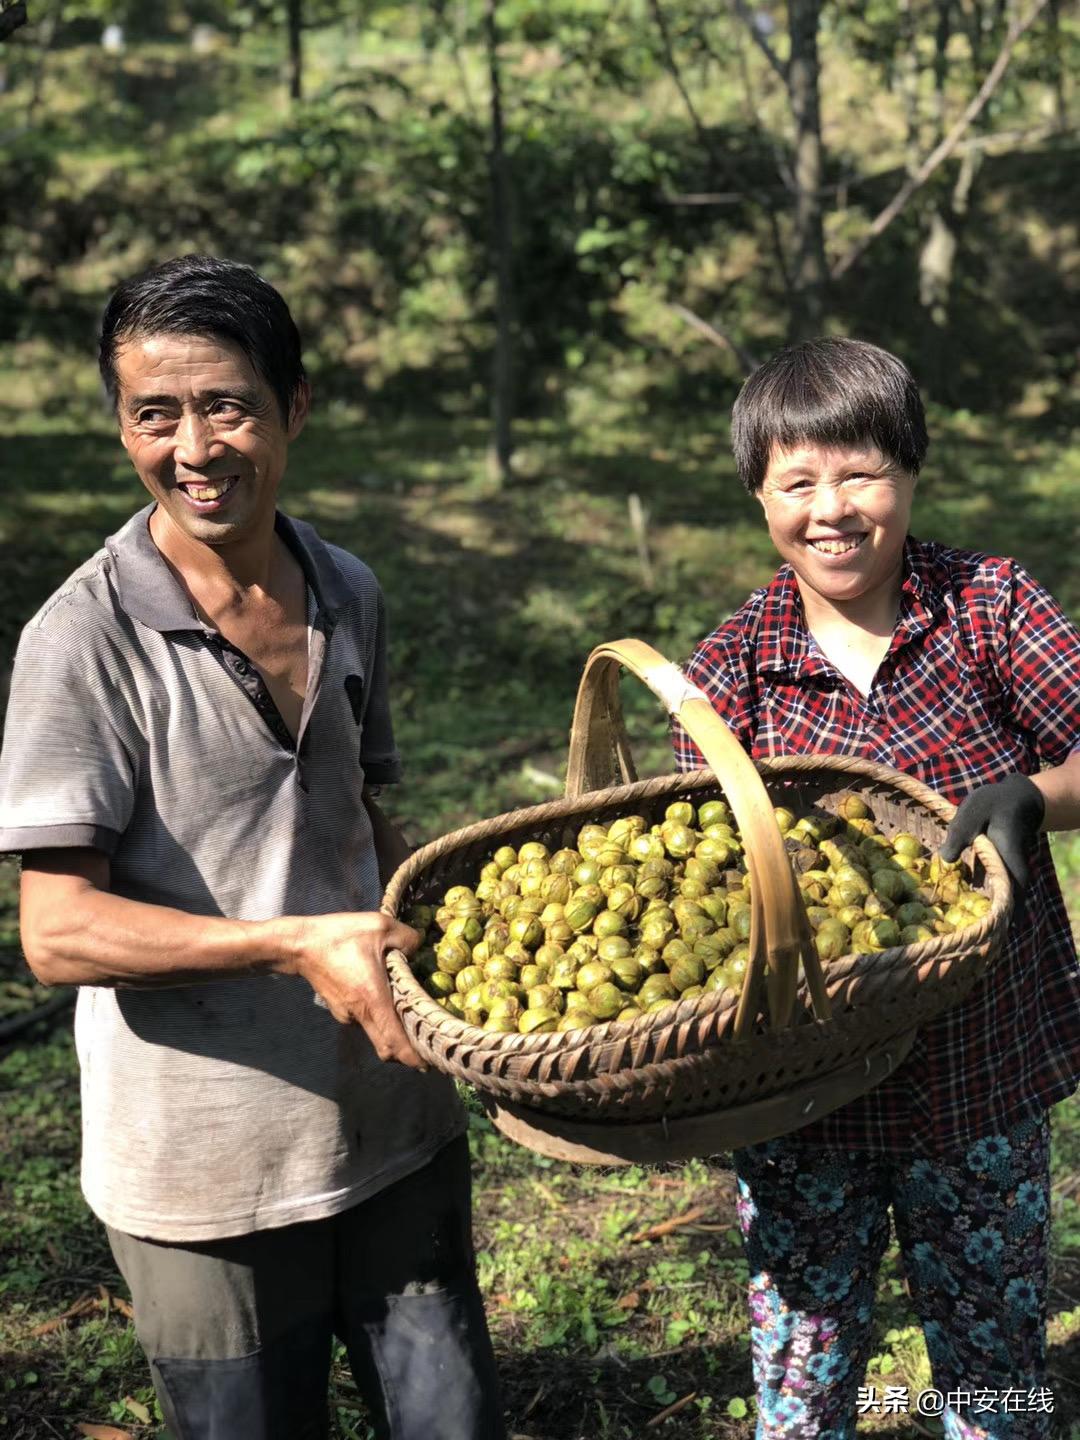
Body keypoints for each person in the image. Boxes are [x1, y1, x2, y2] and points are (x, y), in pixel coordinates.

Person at [0, 255, 504, 1440]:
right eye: (152, 414)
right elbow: (57, 931)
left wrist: (460, 935)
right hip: (203, 1175)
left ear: (295, 408)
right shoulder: (82, 642)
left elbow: (363, 809)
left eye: (225, 406)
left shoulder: (346, 589)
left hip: (393, 1130)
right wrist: (290, 946)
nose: (193, 448)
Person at [672, 337, 1080, 1440]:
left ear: (910, 470)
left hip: (978, 1071)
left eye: (860, 473)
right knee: (804, 1384)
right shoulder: (731, 671)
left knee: (993, 1375)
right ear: (759, 497)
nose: (832, 509)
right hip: (801, 1095)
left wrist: (1035, 796)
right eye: (797, 482)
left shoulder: (987, 607)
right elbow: (680, 864)